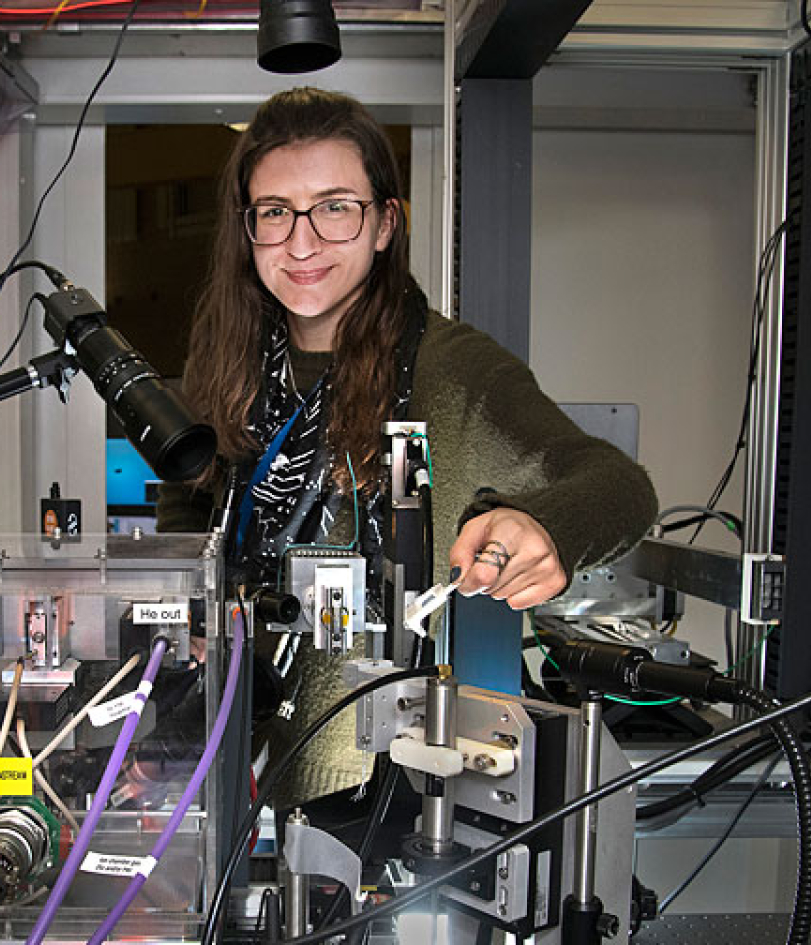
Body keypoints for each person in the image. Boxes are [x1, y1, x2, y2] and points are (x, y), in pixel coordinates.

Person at [157, 87, 657, 814]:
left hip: (400, 799)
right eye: (275, 212)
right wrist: (186, 617)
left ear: (385, 223)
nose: (302, 243)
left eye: (335, 207)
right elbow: (192, 505)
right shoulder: (225, 364)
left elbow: (621, 485)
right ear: (248, 228)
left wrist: (547, 528)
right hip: (235, 776)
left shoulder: (450, 370)